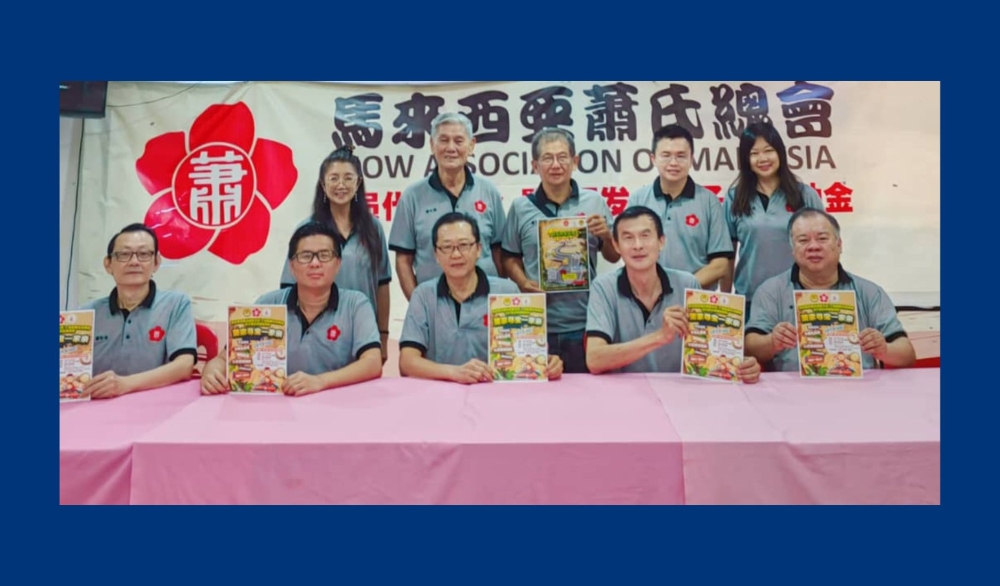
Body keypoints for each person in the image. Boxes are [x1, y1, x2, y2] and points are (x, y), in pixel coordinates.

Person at [201, 222, 382, 396]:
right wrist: (210, 373)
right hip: (278, 406)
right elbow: (223, 359)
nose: (315, 263)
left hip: (337, 405)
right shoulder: (268, 305)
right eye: (305, 256)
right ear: (292, 266)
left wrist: (320, 382)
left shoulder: (356, 305)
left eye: (324, 255)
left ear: (338, 263)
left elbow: (373, 362)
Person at [585, 206, 761, 382]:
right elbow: (594, 360)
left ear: (661, 242)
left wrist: (742, 364)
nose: (638, 245)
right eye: (628, 238)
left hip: (679, 390)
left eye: (645, 236)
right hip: (625, 391)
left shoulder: (688, 284)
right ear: (616, 245)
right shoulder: (604, 287)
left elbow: (713, 353)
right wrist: (660, 336)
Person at [501, 128, 620, 373]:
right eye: (547, 158)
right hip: (535, 322)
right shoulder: (520, 207)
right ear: (535, 165)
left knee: (586, 393)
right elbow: (509, 256)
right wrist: (523, 282)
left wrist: (607, 236)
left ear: (575, 161)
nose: (556, 165)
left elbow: (613, 256)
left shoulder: (594, 202)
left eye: (562, 157)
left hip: (585, 321)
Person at [398, 212, 563, 383]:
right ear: (436, 254)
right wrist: (455, 373)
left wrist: (545, 362)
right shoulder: (423, 295)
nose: (456, 255)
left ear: (478, 249)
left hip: (493, 390)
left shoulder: (506, 292)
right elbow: (407, 362)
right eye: (447, 247)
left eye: (464, 245)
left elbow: (525, 354)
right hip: (442, 391)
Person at [745, 208, 916, 372]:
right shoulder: (771, 291)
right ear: (792, 249)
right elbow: (749, 347)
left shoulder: (870, 293)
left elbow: (906, 353)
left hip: (858, 387)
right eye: (803, 240)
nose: (813, 246)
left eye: (822, 238)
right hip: (792, 387)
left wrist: (884, 350)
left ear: (839, 244)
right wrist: (772, 342)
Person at [279, 145, 391, 362]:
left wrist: (383, 336)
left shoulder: (373, 228)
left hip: (362, 330)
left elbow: (382, 285)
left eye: (348, 178)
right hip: (319, 333)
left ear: (358, 183)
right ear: (323, 184)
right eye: (333, 178)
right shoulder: (308, 229)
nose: (341, 185)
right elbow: (288, 286)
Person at [389, 112, 507, 301]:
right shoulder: (412, 197)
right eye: (444, 140)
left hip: (485, 304)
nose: (451, 148)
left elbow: (499, 252)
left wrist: (497, 300)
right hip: (434, 305)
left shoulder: (488, 192)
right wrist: (419, 306)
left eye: (458, 141)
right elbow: (403, 261)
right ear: (432, 145)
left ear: (471, 145)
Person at [80, 223, 197, 399]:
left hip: (156, 405)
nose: (134, 262)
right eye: (124, 254)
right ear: (108, 264)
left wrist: (125, 385)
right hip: (96, 405)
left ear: (156, 263)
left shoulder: (176, 304)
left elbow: (184, 365)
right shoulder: (86, 313)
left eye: (143, 254)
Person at [722, 122, 824, 314]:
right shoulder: (734, 198)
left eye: (769, 150)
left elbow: (824, 248)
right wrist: (725, 300)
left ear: (780, 153)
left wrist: (824, 291)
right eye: (754, 153)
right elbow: (727, 256)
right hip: (750, 299)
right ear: (746, 159)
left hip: (801, 298)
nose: (763, 159)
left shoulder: (805, 195)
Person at [626, 124, 733, 289]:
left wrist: (680, 289)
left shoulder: (709, 201)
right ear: (653, 159)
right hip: (647, 296)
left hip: (695, 298)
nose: (673, 163)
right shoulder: (638, 200)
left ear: (692, 160)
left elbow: (720, 264)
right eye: (666, 155)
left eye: (681, 156)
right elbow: (629, 251)